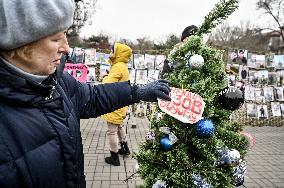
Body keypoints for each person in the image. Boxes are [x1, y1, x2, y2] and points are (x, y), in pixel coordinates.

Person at [0, 0, 171, 187]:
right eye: (56, 39)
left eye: (65, 35)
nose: (66, 48)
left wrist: (136, 92)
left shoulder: (58, 81)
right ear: (21, 43)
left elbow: (93, 97)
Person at [102, 43, 132, 166]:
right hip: (121, 102)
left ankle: (114, 157)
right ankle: (125, 149)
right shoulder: (122, 66)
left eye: (112, 50)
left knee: (112, 131)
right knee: (119, 126)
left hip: (114, 103)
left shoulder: (118, 66)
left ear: (118, 53)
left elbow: (108, 85)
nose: (110, 52)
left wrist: (104, 76)